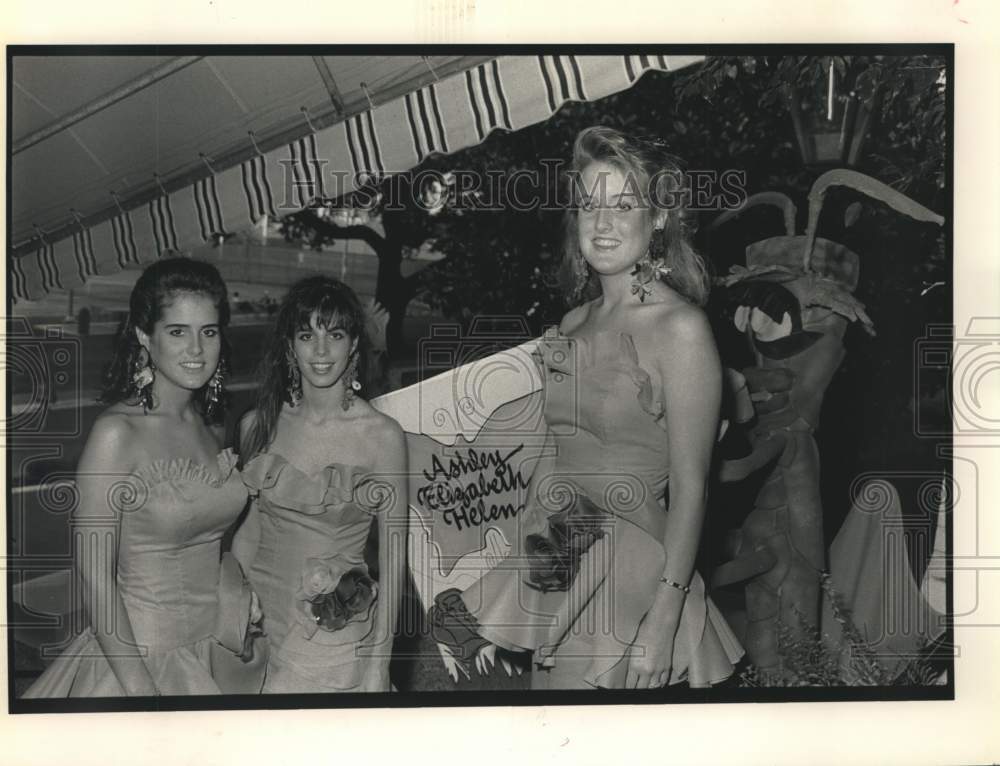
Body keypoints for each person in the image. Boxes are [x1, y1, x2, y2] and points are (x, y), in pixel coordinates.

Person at [434, 126, 743, 690]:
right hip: (561, 564)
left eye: (623, 205)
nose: (601, 223)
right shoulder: (570, 326)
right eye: (587, 205)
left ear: (656, 220)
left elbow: (693, 485)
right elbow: (556, 455)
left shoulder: (682, 330)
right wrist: (523, 558)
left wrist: (665, 615)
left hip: (634, 576)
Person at [24, 257, 260, 697]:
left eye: (208, 331)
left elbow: (212, 537)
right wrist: (141, 692)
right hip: (137, 663)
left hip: (216, 653)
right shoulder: (117, 434)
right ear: (143, 336)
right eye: (177, 331)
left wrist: (238, 593)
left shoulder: (212, 427)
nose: (196, 349)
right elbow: (95, 578)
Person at [232, 275, 407, 693]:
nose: (322, 351)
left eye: (336, 334)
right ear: (290, 347)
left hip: (330, 627)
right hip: (257, 619)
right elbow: (249, 534)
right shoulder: (257, 425)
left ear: (355, 345)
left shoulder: (381, 436)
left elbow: (397, 559)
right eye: (307, 335)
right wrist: (230, 613)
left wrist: (378, 667)